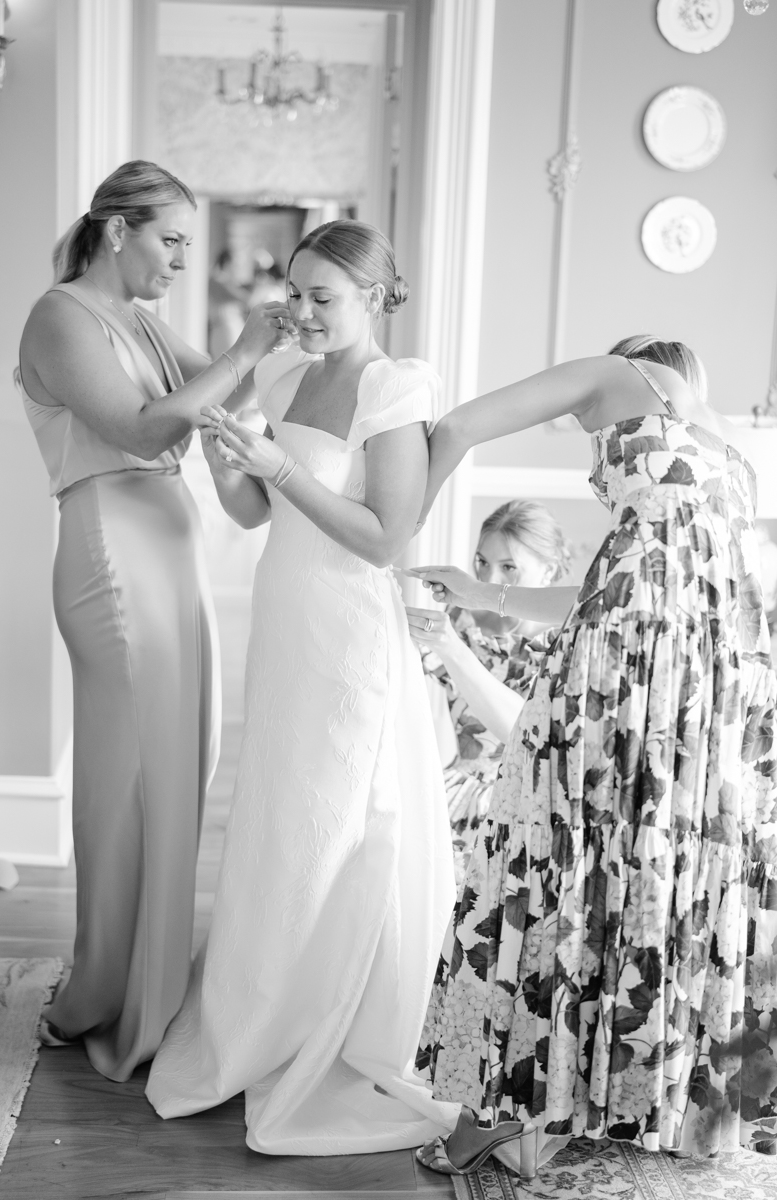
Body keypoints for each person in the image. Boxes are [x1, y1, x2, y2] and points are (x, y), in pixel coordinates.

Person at [410, 335, 777, 1177]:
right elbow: (631, 576)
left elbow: (459, 425)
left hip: (643, 681)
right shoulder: (726, 448)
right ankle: (647, 1100)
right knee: (654, 878)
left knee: (555, 864)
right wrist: (485, 595)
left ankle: (508, 1105)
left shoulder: (621, 376)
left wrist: (392, 522)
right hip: (704, 686)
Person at [145, 220, 461, 1155]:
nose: (303, 311)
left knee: (334, 820)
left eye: (326, 297)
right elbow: (254, 513)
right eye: (298, 291)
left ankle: (324, 1024)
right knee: (278, 819)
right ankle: (253, 1018)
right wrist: (223, 449)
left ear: (376, 298)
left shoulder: (392, 387)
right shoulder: (280, 376)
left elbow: (382, 535)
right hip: (283, 623)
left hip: (348, 630)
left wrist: (279, 463)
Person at [19, 160, 292, 1082]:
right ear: (115, 231)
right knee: (128, 781)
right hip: (111, 554)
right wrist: (245, 350)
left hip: (171, 554)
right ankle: (100, 994)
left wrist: (291, 355)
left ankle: (153, 988)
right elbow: (144, 430)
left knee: (181, 769)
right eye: (171, 238)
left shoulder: (139, 319)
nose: (184, 256)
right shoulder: (61, 316)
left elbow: (216, 402)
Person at [406, 501, 571, 885]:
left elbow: (525, 733)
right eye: (481, 563)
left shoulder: (567, 648)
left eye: (508, 567)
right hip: (442, 800)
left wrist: (451, 649)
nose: (488, 578)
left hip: (522, 817)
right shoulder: (456, 623)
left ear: (548, 570)